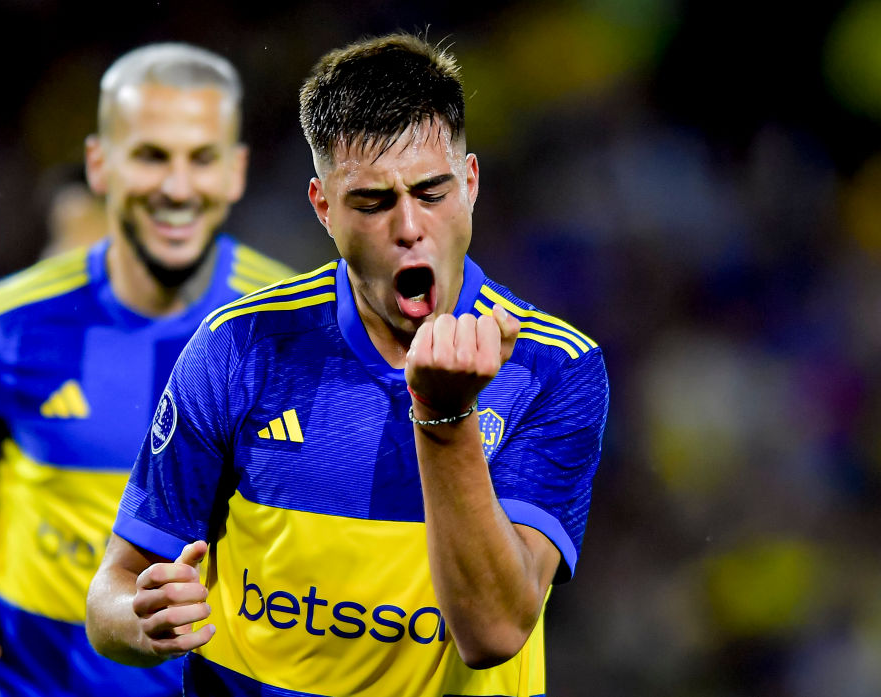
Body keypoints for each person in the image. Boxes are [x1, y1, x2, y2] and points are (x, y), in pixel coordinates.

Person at [86, 33, 609, 697]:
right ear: (324, 206)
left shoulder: (554, 368)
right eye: (372, 201)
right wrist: (139, 619)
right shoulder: (238, 347)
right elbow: (115, 584)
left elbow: (495, 631)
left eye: (431, 191)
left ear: (471, 185)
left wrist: (446, 418)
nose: (409, 226)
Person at [0, 42, 293, 697]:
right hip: (22, 681)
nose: (178, 188)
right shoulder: (2, 326)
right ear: (100, 166)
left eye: (202, 158)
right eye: (151, 156)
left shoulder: (293, 333)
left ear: (237, 172)